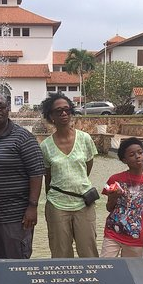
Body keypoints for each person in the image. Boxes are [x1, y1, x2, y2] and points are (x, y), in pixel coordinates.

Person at [0, 93, 44, 259]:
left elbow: (36, 173)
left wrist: (32, 207)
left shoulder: (23, 138)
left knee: (15, 265)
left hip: (16, 218)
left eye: (2, 106)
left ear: (8, 109)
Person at [40, 92, 99, 258]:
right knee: (60, 254)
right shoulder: (45, 146)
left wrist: (77, 185)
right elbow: (48, 177)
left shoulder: (85, 139)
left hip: (83, 203)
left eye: (66, 109)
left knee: (88, 252)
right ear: (51, 116)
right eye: (58, 111)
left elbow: (87, 168)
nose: (64, 113)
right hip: (57, 204)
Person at [100, 137, 143, 258]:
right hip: (113, 233)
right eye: (132, 154)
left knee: (132, 272)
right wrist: (114, 197)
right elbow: (109, 208)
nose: (138, 156)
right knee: (106, 266)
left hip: (136, 237)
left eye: (140, 152)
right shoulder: (115, 180)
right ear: (124, 160)